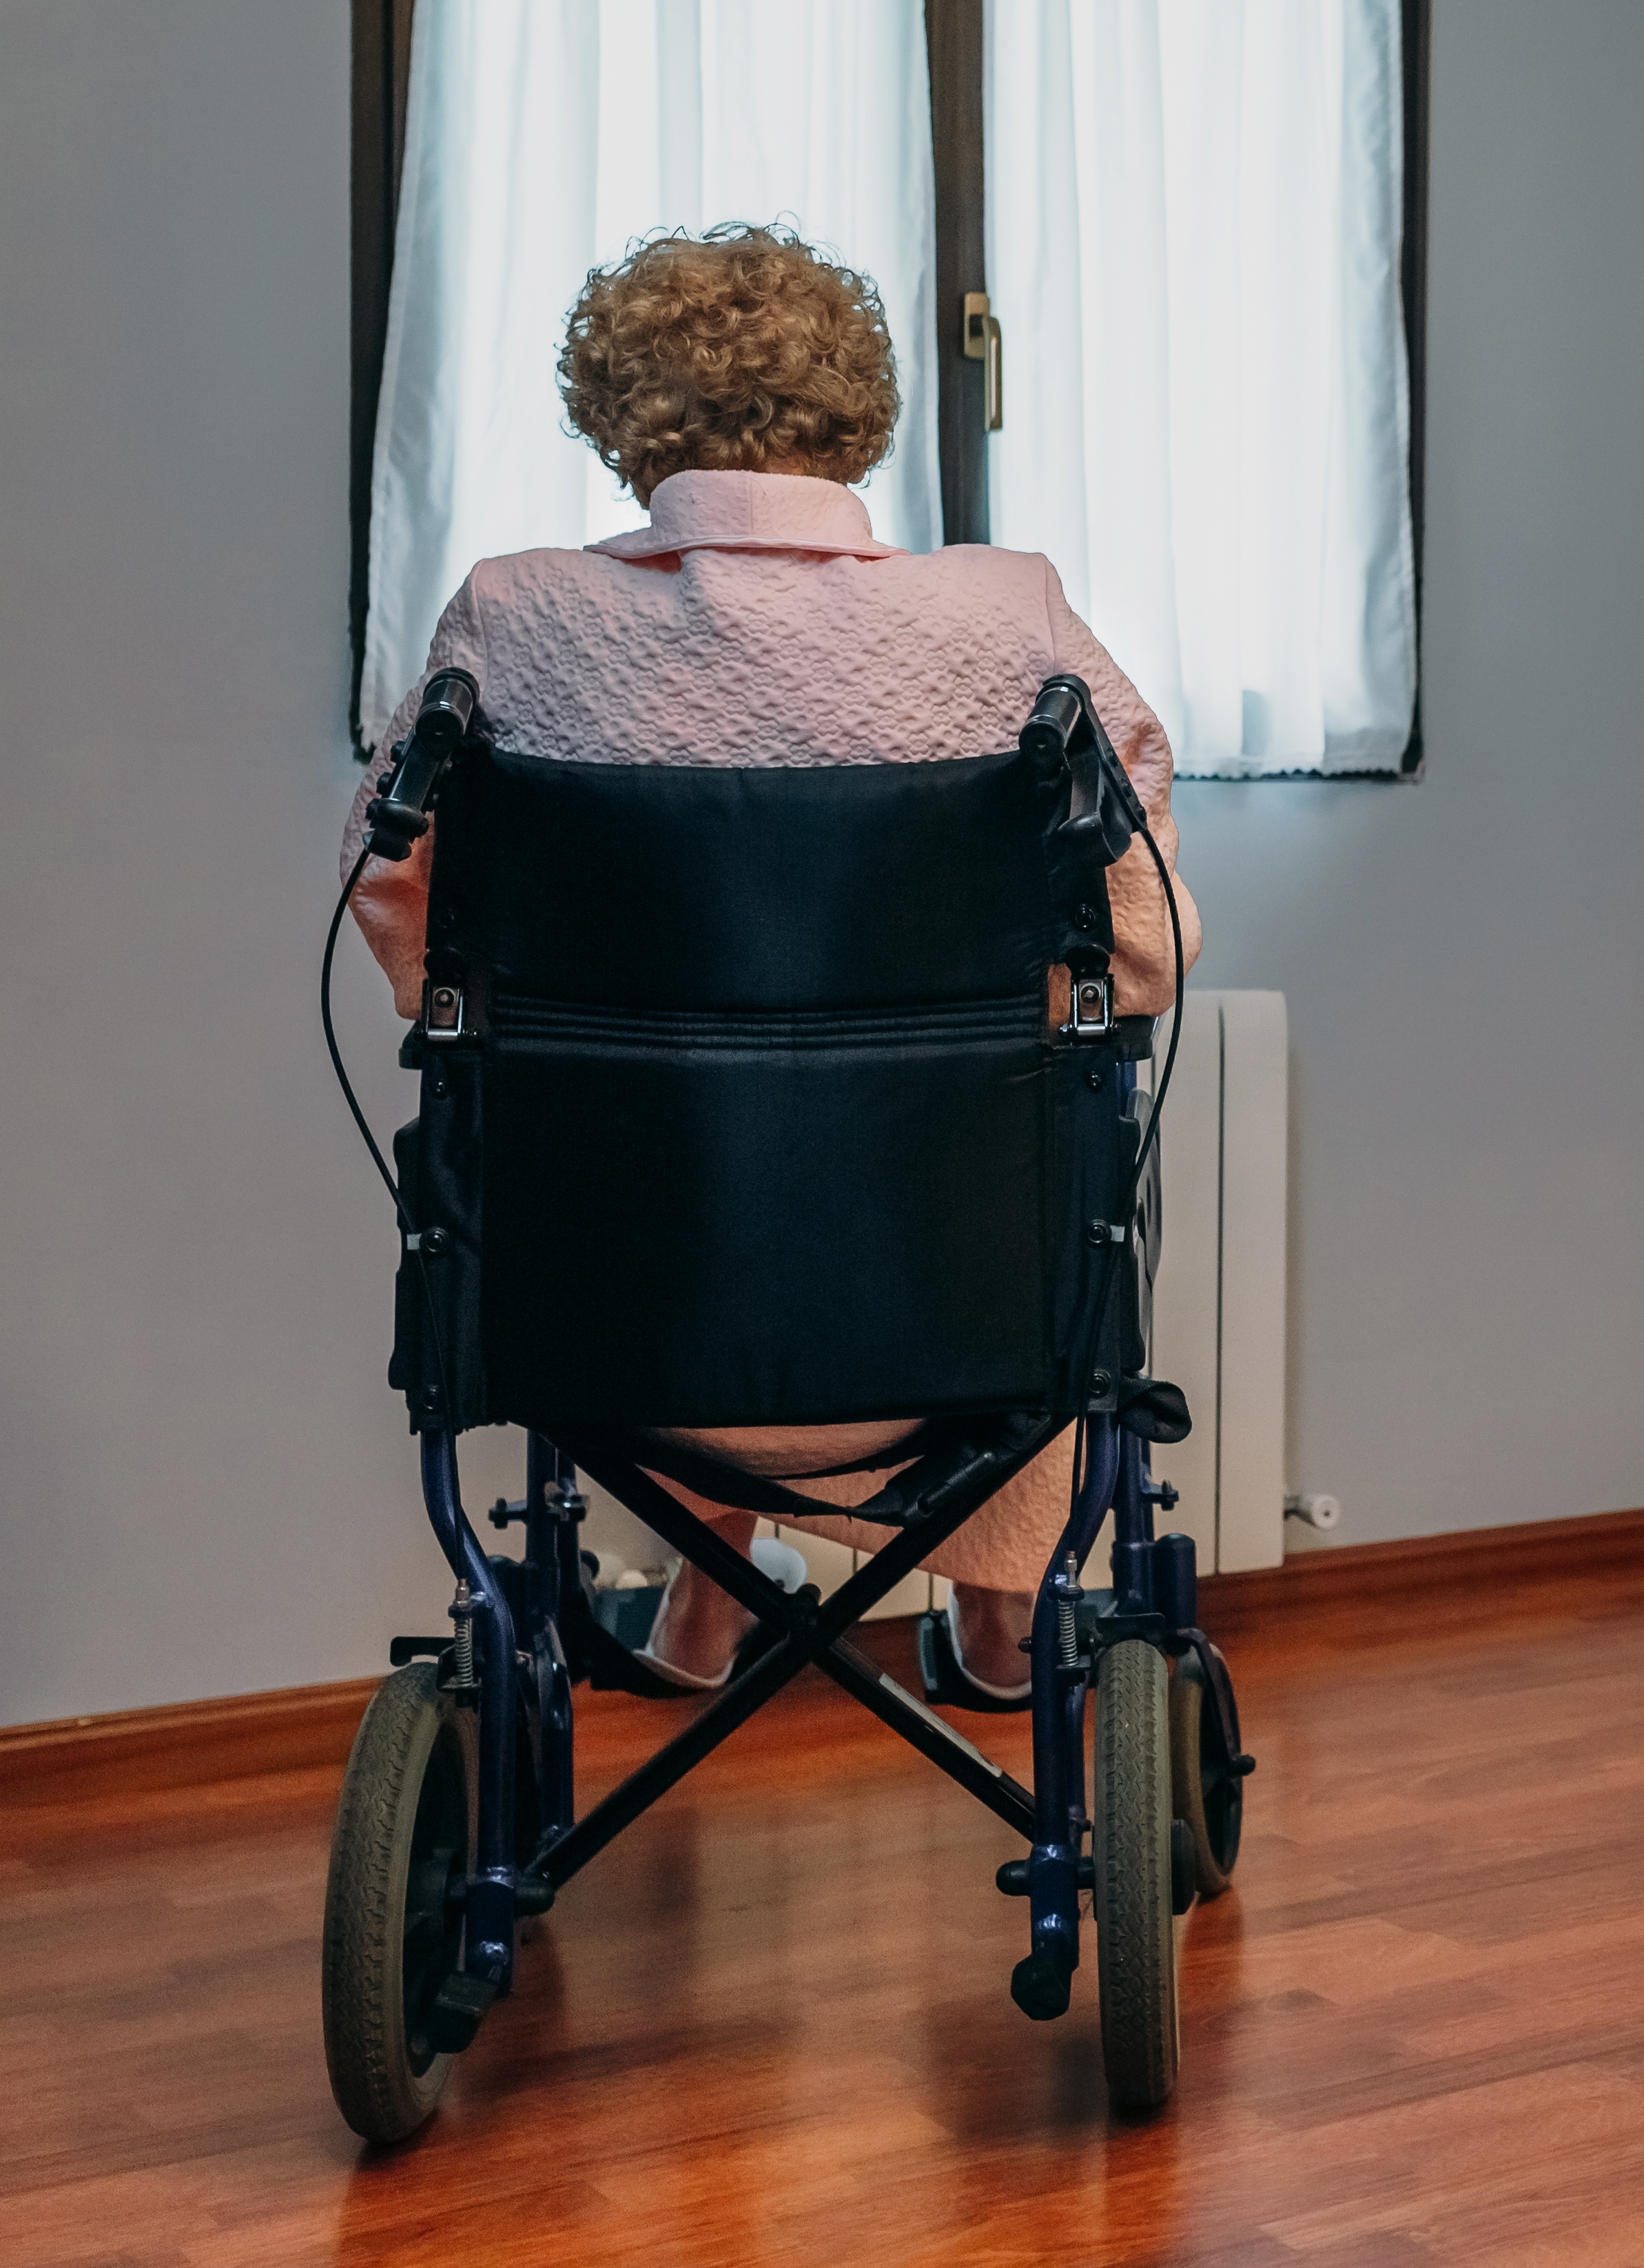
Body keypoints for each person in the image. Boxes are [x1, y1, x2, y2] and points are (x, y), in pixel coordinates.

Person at [347, 222, 1200, 1704]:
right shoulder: (1010, 617)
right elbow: (1144, 943)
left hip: (614, 1321)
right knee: (1007, 1139)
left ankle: (701, 1603)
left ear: (621, 419)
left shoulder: (511, 615)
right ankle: (1000, 1626)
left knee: (686, 1137)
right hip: (953, 1325)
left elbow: (400, 900)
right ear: (856, 409)